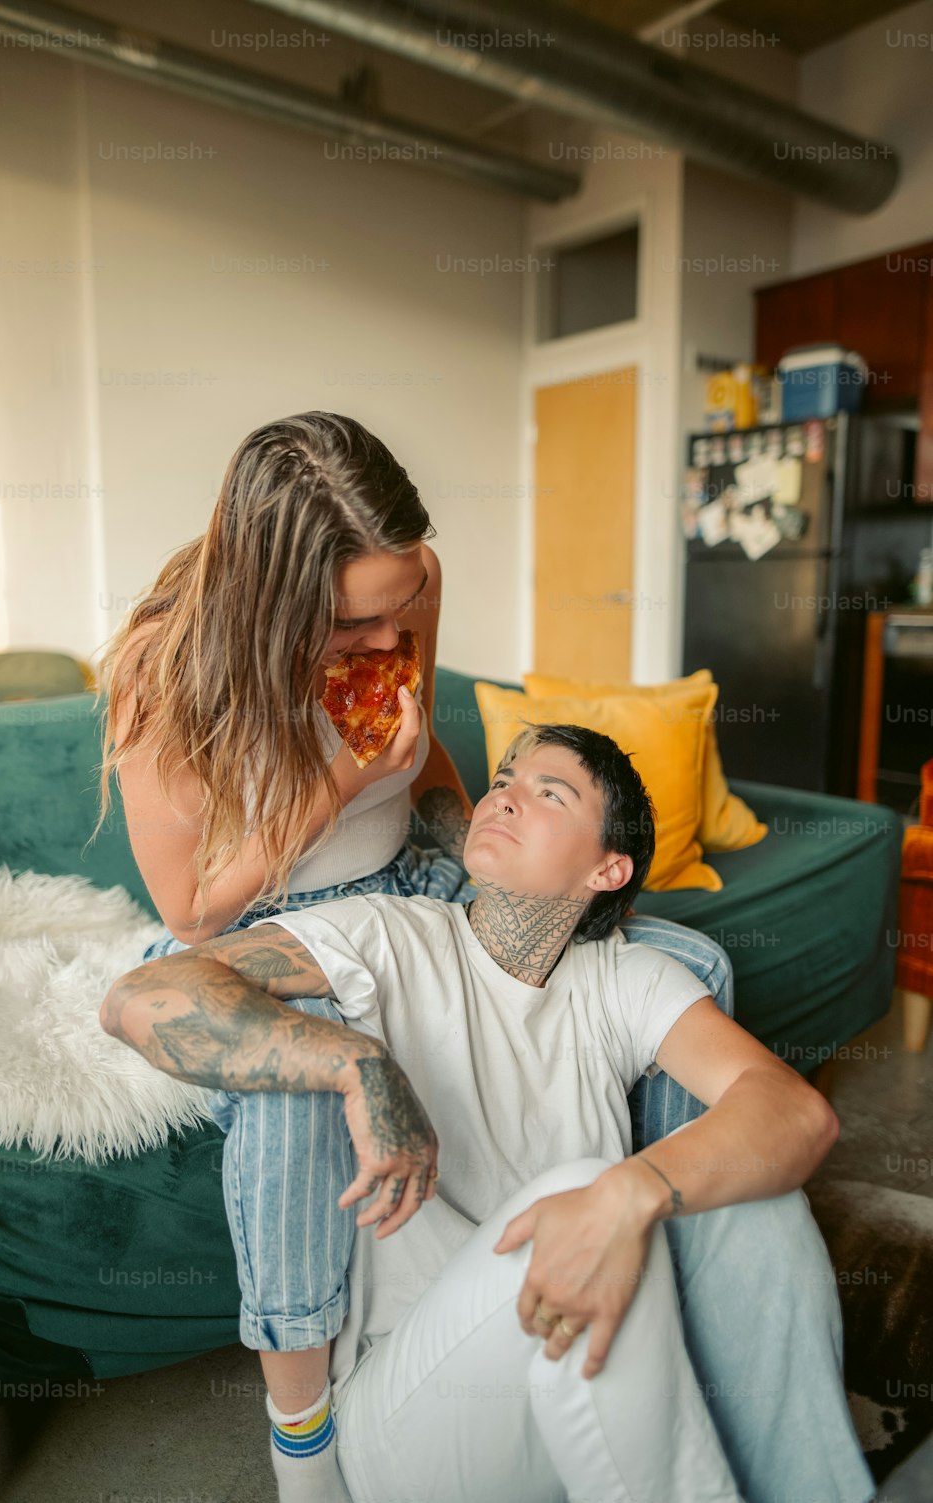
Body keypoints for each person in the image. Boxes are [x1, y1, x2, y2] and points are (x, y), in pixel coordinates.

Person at [96, 412, 745, 1501]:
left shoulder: (405, 583)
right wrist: (339, 786)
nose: (386, 634)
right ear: (272, 600)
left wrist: (487, 852)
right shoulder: (164, 666)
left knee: (690, 961)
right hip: (268, 920)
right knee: (293, 1079)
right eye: (355, 622)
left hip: (415, 878)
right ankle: (301, 1440)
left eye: (402, 606)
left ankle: (660, 1276)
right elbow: (195, 909)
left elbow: (424, 751)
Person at [102, 724, 874, 1503]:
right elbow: (143, 996)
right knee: (573, 1207)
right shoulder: (388, 935)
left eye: (551, 791)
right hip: (407, 1417)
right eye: (506, 776)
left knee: (755, 1207)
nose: (504, 791)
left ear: (608, 867)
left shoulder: (624, 980)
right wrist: (353, 1060)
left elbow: (792, 1113)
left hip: (567, 1387)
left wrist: (629, 1192)